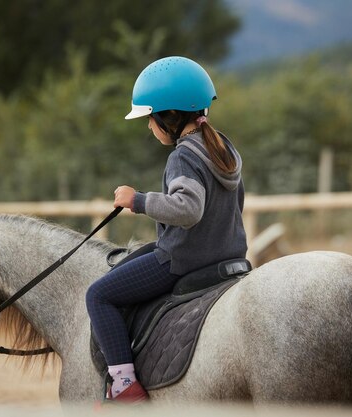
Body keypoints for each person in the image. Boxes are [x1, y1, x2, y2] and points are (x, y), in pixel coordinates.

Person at [85, 56, 247, 403]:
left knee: (98, 295)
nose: (148, 127)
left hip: (184, 261)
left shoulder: (184, 155)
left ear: (168, 117)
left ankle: (125, 385)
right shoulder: (224, 149)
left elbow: (189, 210)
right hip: (229, 256)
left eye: (149, 118)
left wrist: (137, 200)